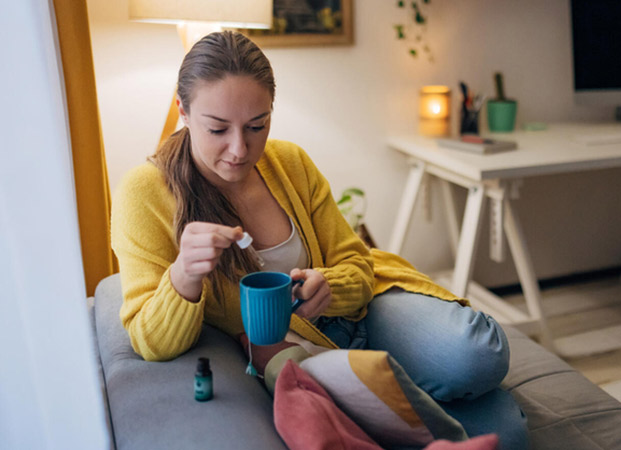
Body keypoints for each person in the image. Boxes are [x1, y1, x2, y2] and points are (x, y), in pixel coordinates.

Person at [111, 30, 528, 449]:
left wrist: (330, 285)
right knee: (508, 435)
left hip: (363, 315)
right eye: (218, 129)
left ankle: (421, 394)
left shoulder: (289, 162)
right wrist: (184, 274)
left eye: (257, 126)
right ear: (182, 110)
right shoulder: (145, 194)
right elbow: (152, 343)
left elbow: (357, 263)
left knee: (480, 354)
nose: (239, 149)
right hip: (304, 354)